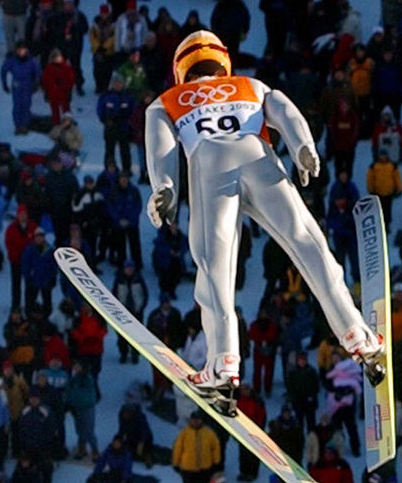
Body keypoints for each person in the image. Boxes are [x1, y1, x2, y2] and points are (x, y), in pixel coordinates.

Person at [145, 30, 383, 412]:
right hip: (260, 156)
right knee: (309, 244)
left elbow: (162, 149)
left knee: (215, 268)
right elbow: (285, 110)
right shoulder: (249, 85)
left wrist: (165, 188)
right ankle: (357, 335)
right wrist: (303, 147)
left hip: (210, 163)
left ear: (180, 68)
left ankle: (223, 363)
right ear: (223, 61)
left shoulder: (166, 102)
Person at [172, 409, 221, 483]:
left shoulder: (209, 433)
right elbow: (178, 448)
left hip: (205, 467)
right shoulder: (184, 433)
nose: (196, 421)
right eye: (194, 419)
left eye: (198, 419)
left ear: (201, 420)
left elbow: (215, 448)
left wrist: (216, 462)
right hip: (188, 468)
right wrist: (175, 463)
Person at [1, 41, 42, 135]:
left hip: (28, 86)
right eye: (19, 50)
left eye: (22, 49)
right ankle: (18, 126)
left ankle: (25, 125)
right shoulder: (12, 60)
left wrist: (36, 83)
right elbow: (3, 70)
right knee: (17, 107)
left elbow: (38, 71)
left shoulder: (32, 60)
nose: (21, 52)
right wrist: (4, 83)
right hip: (17, 86)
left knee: (26, 106)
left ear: (26, 50)